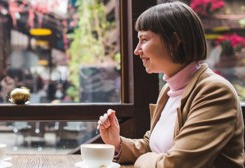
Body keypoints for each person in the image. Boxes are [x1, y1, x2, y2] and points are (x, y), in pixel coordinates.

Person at [98, 1, 244, 167]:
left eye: (144, 40)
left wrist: (142, 160)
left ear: (174, 41)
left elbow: (177, 164)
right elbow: (152, 146)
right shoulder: (169, 90)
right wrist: (116, 143)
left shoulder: (215, 91)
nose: (137, 50)